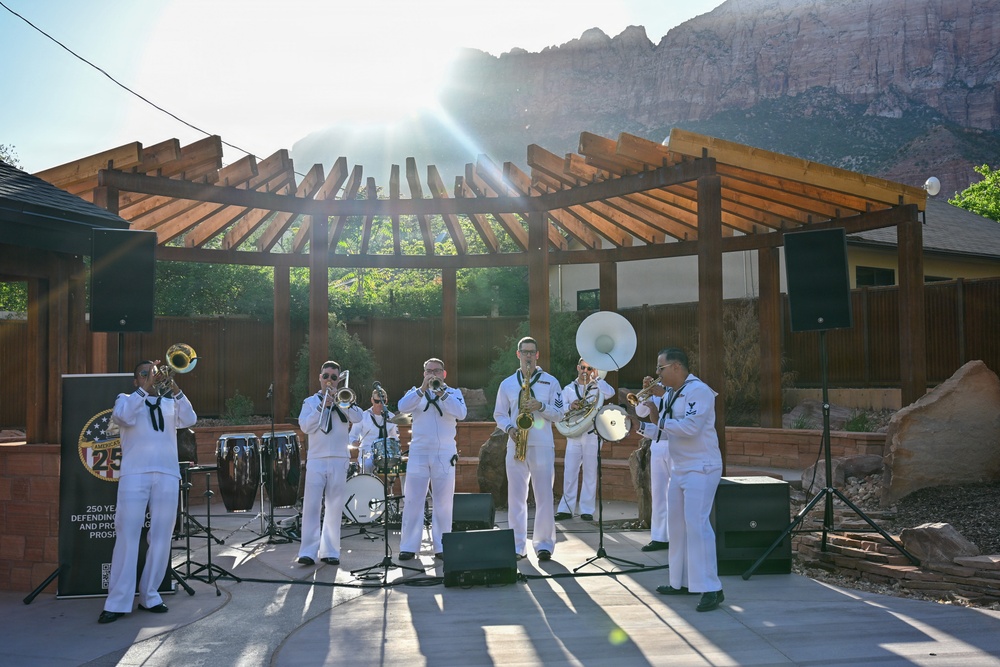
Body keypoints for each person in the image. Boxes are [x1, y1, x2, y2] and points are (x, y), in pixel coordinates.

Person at [98, 360, 197, 624]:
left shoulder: (169, 402)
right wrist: (144, 389)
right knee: (128, 535)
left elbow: (190, 419)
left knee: (162, 536)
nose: (151, 377)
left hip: (166, 474)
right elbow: (122, 417)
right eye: (145, 374)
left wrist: (174, 387)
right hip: (135, 474)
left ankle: (150, 595)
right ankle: (118, 602)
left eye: (154, 374)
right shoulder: (126, 398)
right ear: (135, 380)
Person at [636, 348, 725, 612]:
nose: (657, 374)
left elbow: (689, 428)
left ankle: (711, 588)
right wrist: (637, 426)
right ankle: (681, 582)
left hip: (702, 467)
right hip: (681, 467)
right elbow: (665, 433)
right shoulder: (673, 393)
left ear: (676, 367)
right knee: (677, 527)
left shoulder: (699, 391)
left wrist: (659, 423)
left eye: (660, 369)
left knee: (697, 526)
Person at [494, 337, 564, 561]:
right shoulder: (507, 383)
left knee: (544, 496)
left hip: (542, 444)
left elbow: (560, 414)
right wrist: (509, 429)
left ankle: (544, 544)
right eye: (524, 352)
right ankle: (517, 545)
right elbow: (499, 414)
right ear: (518, 355)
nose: (528, 356)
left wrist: (540, 406)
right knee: (515, 497)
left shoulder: (550, 382)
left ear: (537, 355)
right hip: (516, 443)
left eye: (532, 352)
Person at [397, 358, 467, 560]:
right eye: (429, 371)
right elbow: (402, 407)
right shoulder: (415, 393)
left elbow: (461, 413)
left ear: (444, 374)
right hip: (419, 451)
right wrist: (422, 389)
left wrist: (442, 393)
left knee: (443, 502)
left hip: (444, 452)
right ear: (424, 373)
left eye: (437, 371)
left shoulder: (453, 393)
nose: (433, 374)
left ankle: (442, 546)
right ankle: (409, 546)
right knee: (412, 500)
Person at [297, 361, 363, 567]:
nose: (329, 380)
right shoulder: (310, 402)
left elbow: (359, 417)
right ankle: (308, 551)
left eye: (334, 377)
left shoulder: (344, 400)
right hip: (316, 459)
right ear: (320, 377)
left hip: (338, 459)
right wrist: (321, 406)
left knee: (334, 506)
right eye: (326, 376)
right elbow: (306, 426)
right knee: (311, 506)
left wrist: (343, 402)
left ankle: (330, 551)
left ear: (338, 380)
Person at [554, 359, 615, 522]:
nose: (585, 371)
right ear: (577, 367)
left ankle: (587, 509)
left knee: (590, 472)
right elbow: (558, 408)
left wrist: (597, 379)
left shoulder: (598, 388)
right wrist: (570, 407)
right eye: (583, 367)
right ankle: (566, 509)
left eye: (589, 368)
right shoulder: (567, 389)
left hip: (592, 433)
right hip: (574, 434)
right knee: (570, 471)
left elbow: (611, 393)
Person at [633, 368, 672, 553]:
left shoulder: (681, 390)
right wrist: (645, 393)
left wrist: (663, 394)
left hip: (675, 446)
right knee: (658, 494)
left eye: (661, 368)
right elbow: (641, 412)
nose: (657, 372)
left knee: (674, 495)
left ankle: (676, 536)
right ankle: (659, 537)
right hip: (657, 445)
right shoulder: (657, 389)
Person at [350, 389, 400, 476]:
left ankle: (389, 488)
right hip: (367, 451)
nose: (380, 404)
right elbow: (352, 436)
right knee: (367, 465)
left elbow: (394, 438)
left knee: (400, 466)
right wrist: (354, 442)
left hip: (385, 452)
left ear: (386, 400)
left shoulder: (391, 417)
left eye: (382, 401)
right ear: (372, 400)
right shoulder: (363, 416)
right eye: (377, 401)